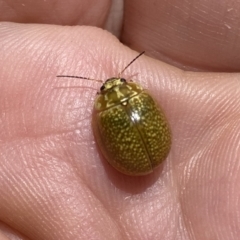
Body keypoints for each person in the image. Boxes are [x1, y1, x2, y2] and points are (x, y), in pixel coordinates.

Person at [0, 1, 239, 239]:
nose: (114, 82)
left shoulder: (103, 114)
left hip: (138, 160)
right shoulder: (139, 97)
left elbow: (104, 137)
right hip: (151, 154)